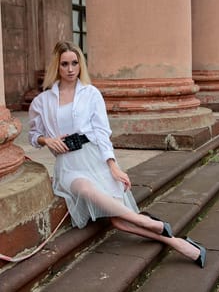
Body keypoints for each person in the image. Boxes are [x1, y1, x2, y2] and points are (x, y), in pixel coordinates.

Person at [28, 40, 206, 268]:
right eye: (65, 64)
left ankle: (179, 244)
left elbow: (102, 133)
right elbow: (34, 135)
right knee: (83, 189)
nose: (71, 69)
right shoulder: (42, 101)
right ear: (57, 67)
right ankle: (149, 223)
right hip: (69, 165)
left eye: (75, 63)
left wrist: (113, 166)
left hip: (93, 158)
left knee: (118, 221)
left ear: (81, 65)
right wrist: (46, 140)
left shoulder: (91, 94)